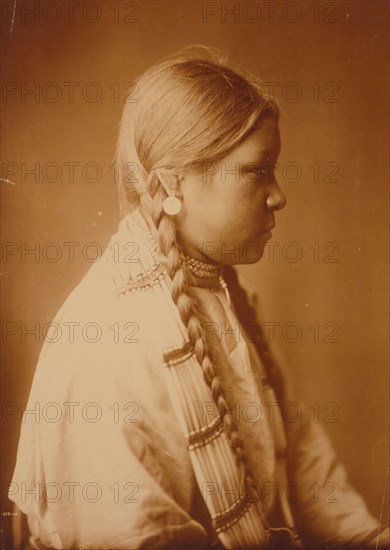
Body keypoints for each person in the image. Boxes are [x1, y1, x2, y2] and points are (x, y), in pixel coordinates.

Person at [9, 47, 389, 549]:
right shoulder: (110, 338)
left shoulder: (224, 294)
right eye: (258, 170)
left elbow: (296, 457)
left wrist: (363, 540)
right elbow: (138, 536)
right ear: (172, 183)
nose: (278, 195)